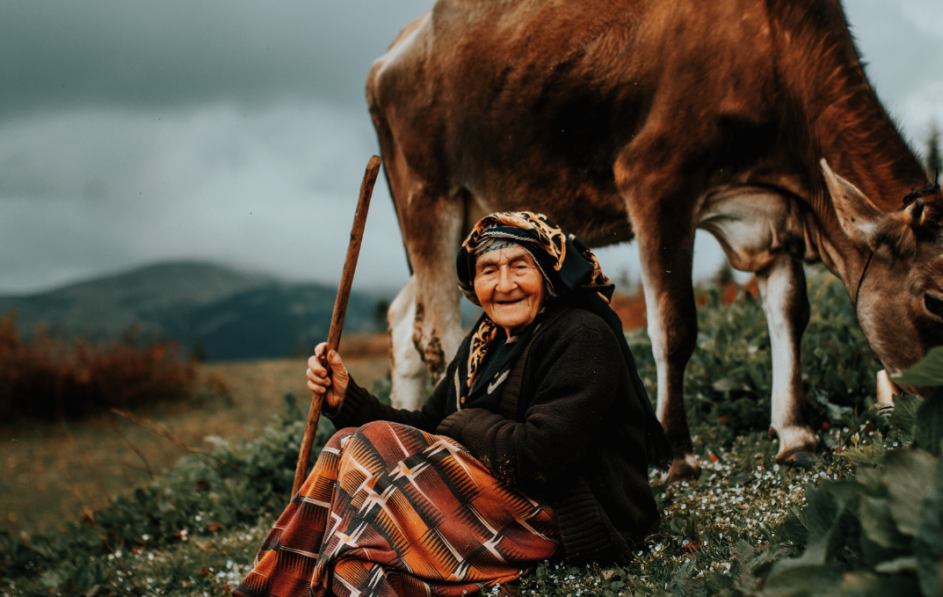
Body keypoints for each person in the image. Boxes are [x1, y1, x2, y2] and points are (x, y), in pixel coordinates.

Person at [234, 211, 671, 597]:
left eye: (521, 266)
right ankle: (286, 584)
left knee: (376, 503)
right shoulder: (484, 341)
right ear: (473, 283)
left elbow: (542, 457)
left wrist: (465, 423)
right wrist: (346, 400)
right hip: (494, 493)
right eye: (488, 271)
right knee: (348, 444)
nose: (504, 285)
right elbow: (429, 424)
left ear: (550, 274)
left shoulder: (581, 335)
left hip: (565, 514)